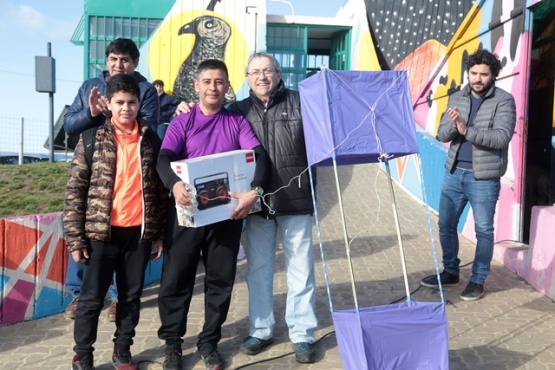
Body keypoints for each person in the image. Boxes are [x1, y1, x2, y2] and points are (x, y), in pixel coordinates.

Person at [156, 59, 269, 370]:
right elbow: (163, 159)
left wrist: (255, 191)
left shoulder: (235, 123)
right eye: (207, 81)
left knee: (220, 281)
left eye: (219, 82)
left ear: (227, 85)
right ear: (196, 85)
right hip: (188, 215)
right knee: (177, 280)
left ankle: (209, 342)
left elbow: (259, 157)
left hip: (225, 218)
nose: (213, 87)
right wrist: (174, 183)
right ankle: (173, 346)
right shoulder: (183, 122)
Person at [63, 73, 167, 370]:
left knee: (130, 298)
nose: (126, 108)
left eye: (131, 102)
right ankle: (82, 353)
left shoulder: (150, 140)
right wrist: (75, 238)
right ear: (108, 104)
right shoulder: (91, 138)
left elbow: (158, 189)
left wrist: (157, 233)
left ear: (139, 103)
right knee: (91, 300)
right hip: (100, 235)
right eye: (119, 102)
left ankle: (123, 349)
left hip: (138, 235)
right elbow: (75, 190)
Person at [228, 53, 317, 363]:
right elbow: (209, 125)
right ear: (247, 77)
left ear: (279, 74)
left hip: (295, 198)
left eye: (268, 70)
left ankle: (302, 333)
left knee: (301, 270)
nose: (262, 76)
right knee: (259, 270)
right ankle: (262, 329)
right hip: (257, 204)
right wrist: (184, 109)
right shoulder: (237, 110)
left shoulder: (302, 103)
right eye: (255, 72)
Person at [420, 49, 516, 301]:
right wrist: (454, 126)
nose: (478, 78)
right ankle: (450, 271)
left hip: (483, 178)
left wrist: (467, 129)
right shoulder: (457, 97)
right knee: (445, 225)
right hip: (454, 174)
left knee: (484, 231)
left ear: (493, 75)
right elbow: (441, 135)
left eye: (484, 74)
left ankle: (477, 280)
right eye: (473, 73)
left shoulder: (504, 101)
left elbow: (501, 137)